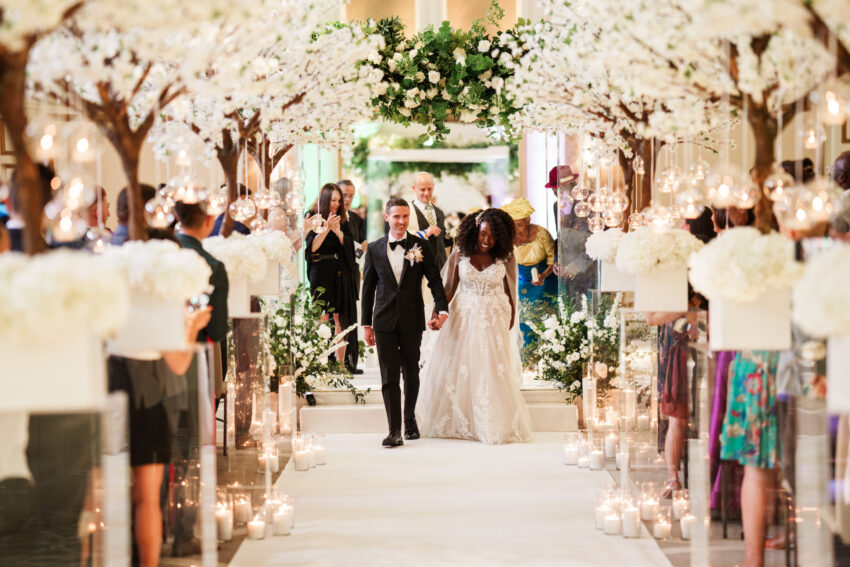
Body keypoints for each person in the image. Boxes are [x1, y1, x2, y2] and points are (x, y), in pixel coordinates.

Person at [417, 208, 533, 445]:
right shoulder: (460, 254)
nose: (487, 240)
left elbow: (511, 294)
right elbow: (448, 289)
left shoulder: (506, 257)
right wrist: (438, 313)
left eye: (492, 236)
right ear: (474, 231)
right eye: (482, 234)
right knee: (461, 366)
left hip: (493, 318)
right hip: (464, 315)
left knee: (491, 368)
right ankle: (460, 420)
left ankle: (490, 422)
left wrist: (509, 322)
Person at [361, 197, 448, 447]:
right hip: (383, 319)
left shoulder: (420, 245)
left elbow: (434, 279)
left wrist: (441, 308)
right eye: (396, 216)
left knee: (411, 371)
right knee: (389, 376)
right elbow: (367, 289)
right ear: (386, 217)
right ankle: (393, 430)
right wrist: (366, 324)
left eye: (405, 216)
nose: (401, 221)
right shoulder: (375, 248)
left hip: (411, 317)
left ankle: (409, 420)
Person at [306, 183, 357, 363]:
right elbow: (312, 247)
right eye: (333, 200)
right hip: (319, 268)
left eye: (339, 201)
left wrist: (339, 233)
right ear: (325, 200)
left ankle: (340, 363)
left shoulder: (343, 219)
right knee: (322, 315)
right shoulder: (313, 216)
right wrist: (327, 228)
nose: (336, 204)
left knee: (339, 316)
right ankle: (321, 360)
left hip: (338, 270)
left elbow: (349, 248)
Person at [500, 197, 557, 347]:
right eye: (513, 225)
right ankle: (527, 358)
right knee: (524, 319)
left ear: (528, 220)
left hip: (546, 280)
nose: (516, 229)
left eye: (519, 224)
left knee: (545, 320)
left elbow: (554, 260)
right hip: (521, 282)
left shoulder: (542, 234)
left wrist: (543, 275)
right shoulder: (507, 238)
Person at [338, 179, 367, 374]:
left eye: (351, 195)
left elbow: (363, 247)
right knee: (338, 320)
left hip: (353, 273)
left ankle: (351, 363)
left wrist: (358, 248)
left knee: (352, 319)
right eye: (344, 195)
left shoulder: (357, 220)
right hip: (335, 274)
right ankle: (336, 362)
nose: (347, 199)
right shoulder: (330, 217)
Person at [407, 172, 452, 269]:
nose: (426, 193)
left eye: (429, 189)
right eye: (422, 189)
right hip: (419, 267)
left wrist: (452, 235)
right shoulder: (407, 211)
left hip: (440, 267)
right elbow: (401, 236)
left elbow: (442, 240)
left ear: (433, 187)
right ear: (414, 188)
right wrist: (425, 233)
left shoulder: (439, 212)